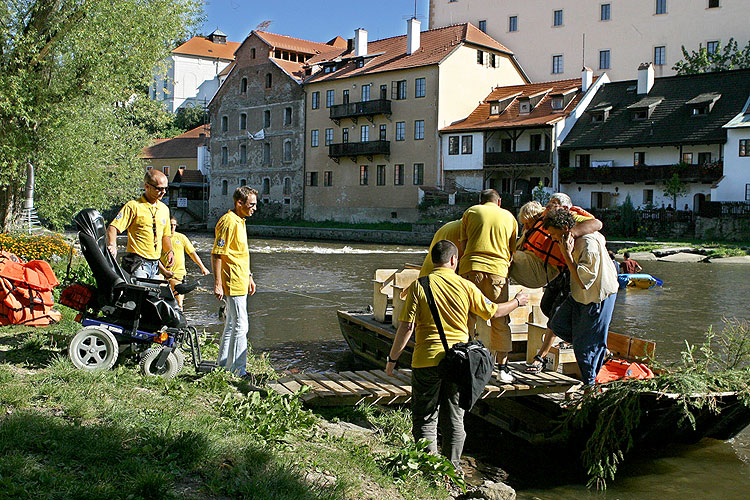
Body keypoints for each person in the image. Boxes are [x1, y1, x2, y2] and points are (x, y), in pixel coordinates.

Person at [385, 240, 528, 471]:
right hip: (459, 362)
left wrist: (392, 360)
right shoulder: (466, 286)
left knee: (425, 419)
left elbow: (406, 328)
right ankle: (452, 470)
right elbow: (493, 311)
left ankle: (427, 469)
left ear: (433, 260)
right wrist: (518, 301)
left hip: (425, 360)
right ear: (453, 260)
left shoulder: (419, 286)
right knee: (455, 419)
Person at [525, 210, 618, 387]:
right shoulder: (571, 237)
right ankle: (597, 348)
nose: (552, 238)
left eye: (553, 234)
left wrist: (567, 255)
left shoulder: (587, 245)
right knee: (557, 324)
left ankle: (589, 386)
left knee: (585, 348)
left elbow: (584, 281)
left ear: (565, 228)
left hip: (596, 298)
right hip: (579, 296)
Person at [458, 189, 517, 382]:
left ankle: (463, 361)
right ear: (499, 201)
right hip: (497, 272)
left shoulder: (471, 212)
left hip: (471, 268)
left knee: (468, 317)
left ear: (480, 201)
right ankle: (503, 369)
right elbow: (511, 251)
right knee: (500, 319)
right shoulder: (509, 217)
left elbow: (464, 244)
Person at [509, 193, 603, 289]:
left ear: (565, 208)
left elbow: (597, 223)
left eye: (554, 202)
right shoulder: (546, 215)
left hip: (542, 268)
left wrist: (570, 234)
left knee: (502, 257)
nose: (549, 205)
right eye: (549, 201)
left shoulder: (569, 216)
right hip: (529, 258)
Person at [212, 186, 258, 377]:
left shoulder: (241, 221)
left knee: (231, 323)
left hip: (241, 278)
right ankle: (239, 371)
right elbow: (217, 254)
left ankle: (222, 366)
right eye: (251, 204)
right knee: (241, 324)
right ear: (239, 203)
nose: (254, 208)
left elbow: (239, 253)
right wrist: (218, 283)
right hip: (231, 279)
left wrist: (249, 276)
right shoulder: (228, 222)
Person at [107, 169, 174, 279]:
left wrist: (169, 252)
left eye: (166, 188)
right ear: (147, 186)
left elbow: (165, 235)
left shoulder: (164, 209)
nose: (164, 192)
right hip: (138, 263)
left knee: (154, 296)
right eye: (159, 189)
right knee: (138, 295)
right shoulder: (133, 206)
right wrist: (112, 245)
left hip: (156, 265)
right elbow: (113, 227)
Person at [159, 217, 211, 309]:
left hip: (178, 274)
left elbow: (192, 253)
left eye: (174, 225)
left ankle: (180, 315)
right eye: (170, 225)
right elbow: (154, 256)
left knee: (179, 302)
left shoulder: (181, 237)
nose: (172, 227)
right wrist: (162, 271)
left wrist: (202, 267)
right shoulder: (160, 237)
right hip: (162, 273)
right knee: (161, 297)